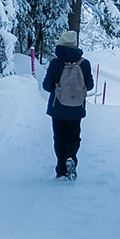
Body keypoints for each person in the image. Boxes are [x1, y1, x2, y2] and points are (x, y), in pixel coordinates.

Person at [41, 30, 94, 179]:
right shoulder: (84, 64)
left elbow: (46, 86)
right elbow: (89, 86)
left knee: (59, 137)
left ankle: (61, 168)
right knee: (74, 136)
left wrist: (58, 90)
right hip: (77, 108)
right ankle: (71, 157)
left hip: (57, 108)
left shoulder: (55, 63)